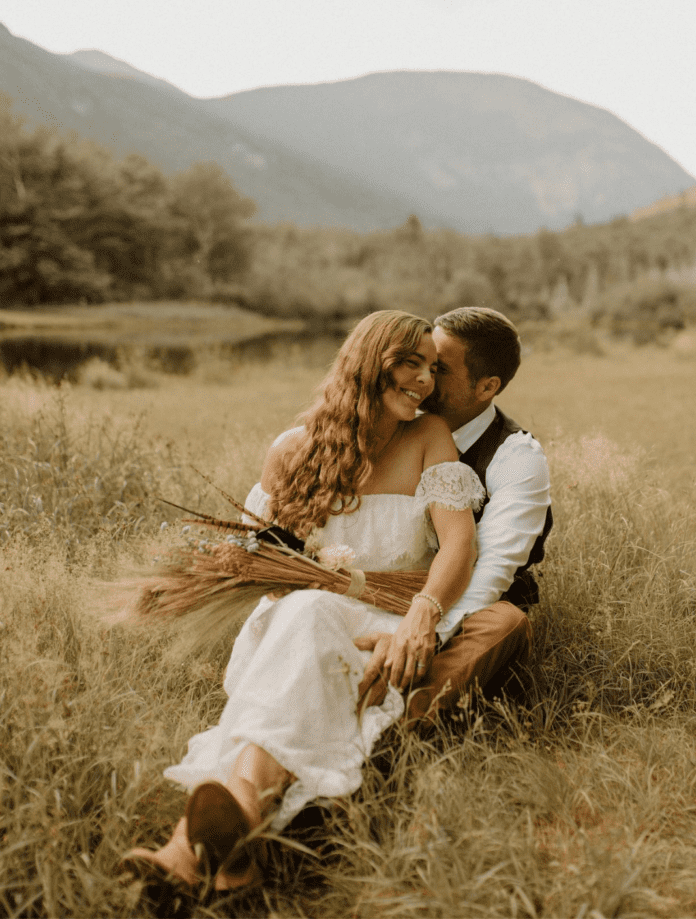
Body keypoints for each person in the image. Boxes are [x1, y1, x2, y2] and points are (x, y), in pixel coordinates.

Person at [123, 310, 485, 893]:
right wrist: (291, 577)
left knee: (308, 616)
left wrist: (422, 613)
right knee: (303, 612)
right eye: (408, 363)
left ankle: (192, 848)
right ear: (367, 364)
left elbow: (459, 544)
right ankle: (236, 838)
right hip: (293, 620)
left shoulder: (428, 438)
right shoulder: (293, 450)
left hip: (381, 619)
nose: (423, 380)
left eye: (432, 368)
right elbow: (259, 557)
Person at [355, 306, 552, 726]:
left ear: (487, 387)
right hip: (387, 594)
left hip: (468, 612)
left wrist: (418, 631)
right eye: (418, 362)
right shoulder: (396, 425)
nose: (422, 380)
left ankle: (391, 732)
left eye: (439, 369)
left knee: (506, 622)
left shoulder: (516, 457)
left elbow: (492, 572)